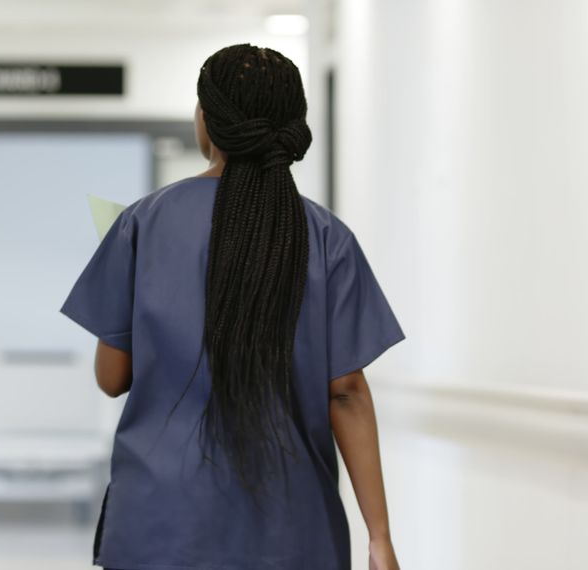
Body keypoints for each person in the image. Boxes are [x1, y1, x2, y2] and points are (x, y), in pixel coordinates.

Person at [61, 44, 404, 570]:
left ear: (206, 122)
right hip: (293, 528)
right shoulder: (325, 237)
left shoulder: (140, 224)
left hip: (159, 523)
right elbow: (348, 393)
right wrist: (378, 538)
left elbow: (112, 377)